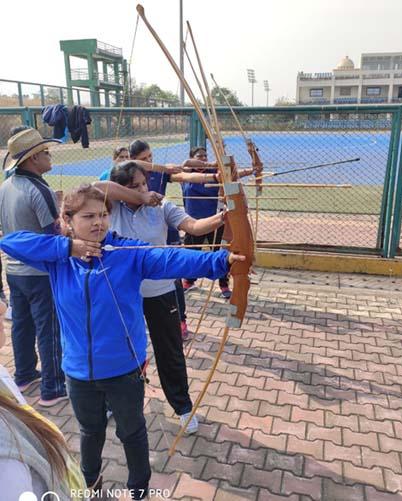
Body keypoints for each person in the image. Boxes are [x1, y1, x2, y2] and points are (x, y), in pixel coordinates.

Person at [0, 184, 245, 498]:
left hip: (123, 370)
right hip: (78, 372)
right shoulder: (58, 259)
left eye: (103, 215)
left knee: (132, 432)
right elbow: (11, 242)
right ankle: (89, 487)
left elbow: (169, 257)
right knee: (90, 432)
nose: (98, 222)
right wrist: (68, 248)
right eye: (89, 216)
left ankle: (139, 489)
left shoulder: (126, 253)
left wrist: (221, 262)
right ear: (68, 220)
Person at [110, 162, 224, 433]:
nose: (143, 189)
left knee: (170, 351)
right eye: (134, 185)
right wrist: (140, 198)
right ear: (122, 189)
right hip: (123, 293)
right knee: (123, 351)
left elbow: (194, 226)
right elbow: (98, 188)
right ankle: (115, 404)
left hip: (160, 291)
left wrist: (223, 217)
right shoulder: (111, 207)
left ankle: (182, 406)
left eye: (144, 183)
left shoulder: (161, 208)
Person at [0, 128, 67, 407]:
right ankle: (52, 387)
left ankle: (25, 373)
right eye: (46, 152)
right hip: (39, 272)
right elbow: (52, 235)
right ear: (33, 158)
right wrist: (61, 211)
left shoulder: (5, 186)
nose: (50, 156)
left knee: (22, 324)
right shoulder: (40, 188)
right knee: (48, 328)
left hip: (13, 271)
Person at [128, 139, 221, 338]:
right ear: (132, 160)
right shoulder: (123, 178)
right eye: (144, 159)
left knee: (172, 279)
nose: (149, 161)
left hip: (162, 230)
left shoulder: (160, 175)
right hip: (136, 235)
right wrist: (158, 167)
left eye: (150, 156)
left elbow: (185, 174)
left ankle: (180, 320)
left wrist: (214, 174)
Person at [0, 296, 86, 500]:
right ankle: (52, 387)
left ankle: (29, 376)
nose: (3, 306)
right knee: (47, 329)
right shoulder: (7, 464)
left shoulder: (2, 377)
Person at [182, 146, 255, 299]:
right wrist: (214, 163)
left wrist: (251, 170)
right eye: (199, 156)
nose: (203, 158)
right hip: (192, 222)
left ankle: (223, 283)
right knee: (191, 253)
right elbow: (186, 163)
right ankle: (189, 280)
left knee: (221, 255)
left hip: (214, 222)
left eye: (205, 156)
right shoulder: (187, 173)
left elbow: (232, 175)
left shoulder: (215, 174)